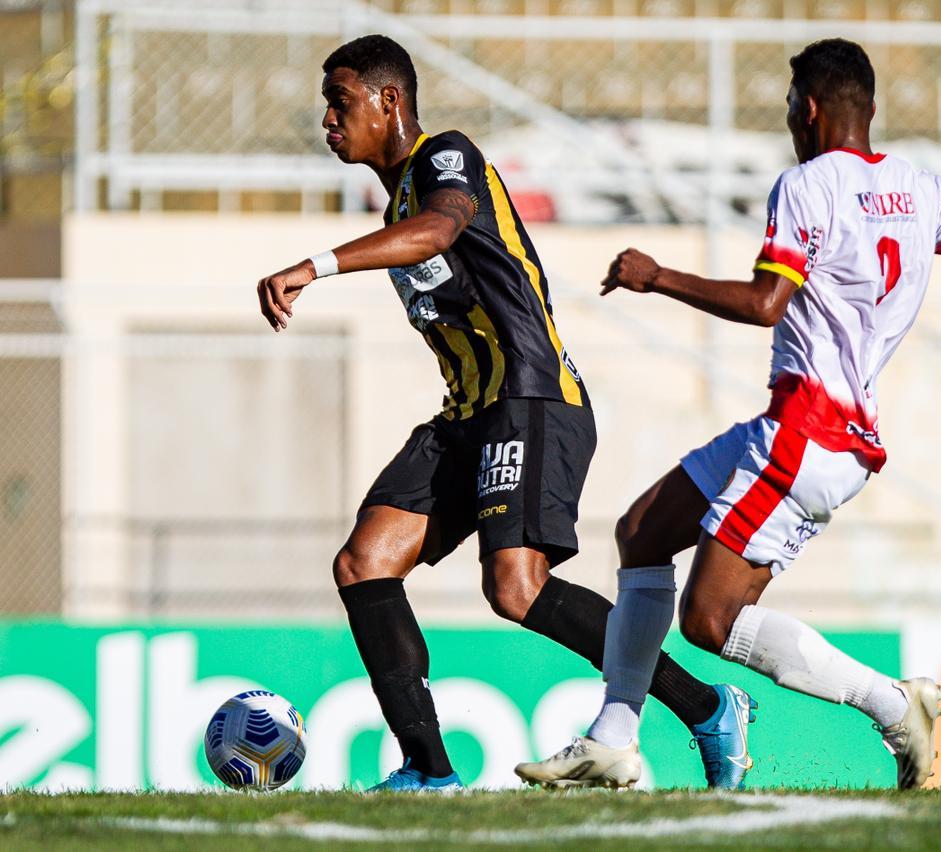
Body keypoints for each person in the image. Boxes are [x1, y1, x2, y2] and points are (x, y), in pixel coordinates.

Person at [515, 38, 941, 791]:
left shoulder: (807, 185)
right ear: (867, 107)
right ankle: (614, 736)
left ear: (807, 110)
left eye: (787, 106)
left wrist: (657, 277)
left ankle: (891, 704)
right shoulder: (922, 188)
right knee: (642, 532)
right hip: (814, 429)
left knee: (708, 621)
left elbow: (765, 302)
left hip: (810, 432)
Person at [254, 34, 753, 793]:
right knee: (364, 562)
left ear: (389, 101)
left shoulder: (443, 156)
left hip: (533, 395)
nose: (328, 119)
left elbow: (441, 229)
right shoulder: (393, 199)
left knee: (515, 587)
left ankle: (708, 706)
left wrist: (314, 265)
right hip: (469, 413)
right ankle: (429, 771)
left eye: (341, 102)